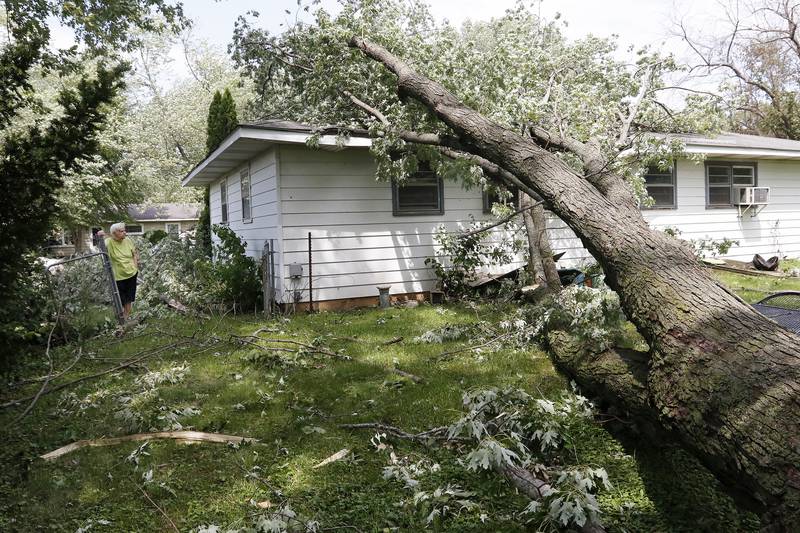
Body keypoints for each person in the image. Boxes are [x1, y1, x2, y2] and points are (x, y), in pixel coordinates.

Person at [98, 223, 139, 320]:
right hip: (118, 276)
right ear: (114, 233)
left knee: (129, 298)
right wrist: (100, 237)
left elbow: (134, 253)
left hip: (131, 274)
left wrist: (135, 266)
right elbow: (101, 247)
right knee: (120, 298)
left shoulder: (128, 240)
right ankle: (120, 318)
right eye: (122, 231)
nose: (125, 233)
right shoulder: (109, 242)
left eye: (125, 230)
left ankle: (126, 317)